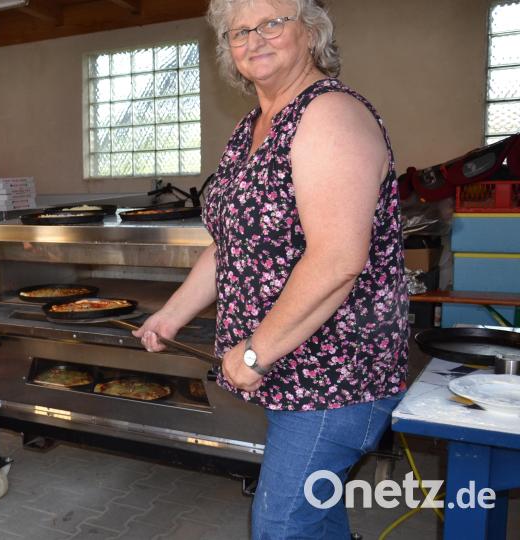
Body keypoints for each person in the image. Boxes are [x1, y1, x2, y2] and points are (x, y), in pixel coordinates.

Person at [133, 1, 408, 537]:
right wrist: (169, 316)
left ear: (311, 33)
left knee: (282, 523)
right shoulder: (253, 127)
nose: (254, 39)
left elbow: (337, 259)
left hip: (337, 379)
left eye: (272, 23)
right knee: (316, 516)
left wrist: (257, 351)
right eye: (239, 32)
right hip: (290, 373)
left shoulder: (329, 114)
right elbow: (230, 245)